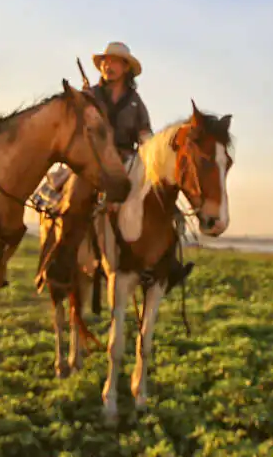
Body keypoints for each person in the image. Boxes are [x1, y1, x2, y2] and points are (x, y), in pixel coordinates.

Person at [36, 41, 193, 292]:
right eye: (106, 61)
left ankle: (166, 263)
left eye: (115, 62)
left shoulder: (135, 102)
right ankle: (63, 259)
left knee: (165, 203)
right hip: (94, 159)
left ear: (125, 68)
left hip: (127, 159)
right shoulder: (91, 96)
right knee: (76, 197)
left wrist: (149, 147)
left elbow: (144, 133)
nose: (109, 66)